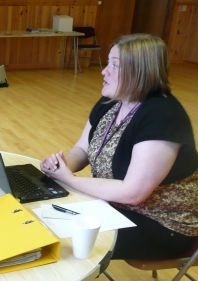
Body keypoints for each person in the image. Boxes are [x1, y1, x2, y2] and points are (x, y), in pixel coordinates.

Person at [41, 33, 198, 260]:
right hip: (115, 207)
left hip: (163, 225)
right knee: (44, 215)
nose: (104, 71)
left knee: (63, 237)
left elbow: (133, 193)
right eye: (107, 63)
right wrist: (60, 165)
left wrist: (70, 180)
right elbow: (82, 151)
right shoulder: (111, 102)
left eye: (115, 66)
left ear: (141, 72)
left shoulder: (163, 116)